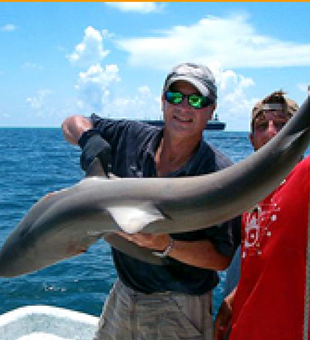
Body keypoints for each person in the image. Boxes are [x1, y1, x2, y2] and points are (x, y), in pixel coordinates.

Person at [62, 62, 240, 340]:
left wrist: (166, 244)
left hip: (179, 307)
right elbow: (72, 122)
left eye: (196, 99)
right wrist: (89, 140)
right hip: (124, 291)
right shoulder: (129, 135)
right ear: (162, 101)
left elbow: (221, 258)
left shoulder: (220, 175)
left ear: (211, 110)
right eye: (174, 97)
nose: (183, 107)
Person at [214, 90, 310, 340]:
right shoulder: (250, 195)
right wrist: (233, 300)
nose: (271, 133)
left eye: (282, 124)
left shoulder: (306, 177)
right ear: (251, 139)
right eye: (261, 126)